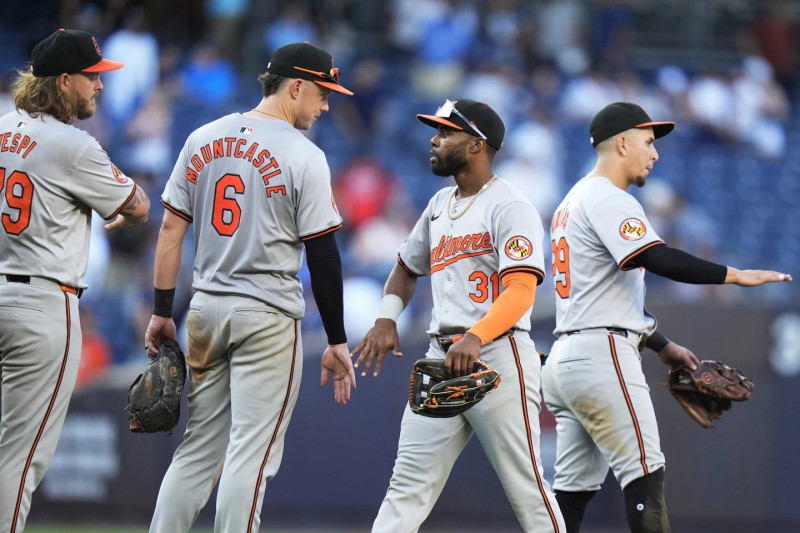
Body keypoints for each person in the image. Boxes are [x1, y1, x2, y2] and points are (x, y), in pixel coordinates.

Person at [542, 101, 793, 533]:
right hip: (601, 356)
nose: (655, 154)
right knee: (645, 473)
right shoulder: (607, 196)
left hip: (568, 358)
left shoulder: (572, 200)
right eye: (648, 142)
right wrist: (734, 275)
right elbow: (657, 258)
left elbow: (605, 295)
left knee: (573, 492)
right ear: (622, 143)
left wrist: (662, 344)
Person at [143, 41, 356, 532]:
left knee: (197, 449)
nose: (325, 106)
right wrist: (338, 338)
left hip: (204, 311)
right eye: (322, 94)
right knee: (251, 455)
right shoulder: (304, 155)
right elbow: (322, 255)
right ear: (296, 85)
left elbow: (171, 230)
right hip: (266, 316)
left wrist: (161, 311)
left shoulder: (203, 138)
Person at [352, 98, 565, 532]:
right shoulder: (437, 205)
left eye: (446, 132)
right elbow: (405, 270)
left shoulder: (511, 206)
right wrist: (387, 318)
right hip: (442, 356)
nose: (434, 140)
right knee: (406, 486)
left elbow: (522, 291)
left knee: (528, 490)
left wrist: (478, 335)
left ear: (476, 145)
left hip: (498, 356)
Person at [0, 29, 151, 532]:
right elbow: (138, 204)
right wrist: (127, 217)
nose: (99, 87)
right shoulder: (73, 144)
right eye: (92, 78)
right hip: (40, 305)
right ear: (65, 82)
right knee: (20, 457)